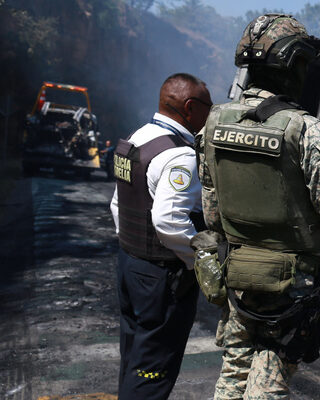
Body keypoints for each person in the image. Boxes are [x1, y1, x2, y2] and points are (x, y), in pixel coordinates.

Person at [197, 13, 320, 399]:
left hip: (238, 272)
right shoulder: (304, 128)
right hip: (290, 282)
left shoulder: (214, 122)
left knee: (234, 370)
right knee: (271, 374)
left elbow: (211, 213)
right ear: (292, 65)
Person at [109, 73, 212, 399]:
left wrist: (133, 247)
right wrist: (200, 260)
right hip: (162, 277)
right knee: (152, 371)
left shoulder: (137, 138)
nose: (211, 114)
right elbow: (169, 221)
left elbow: (118, 203)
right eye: (208, 107)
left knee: (134, 358)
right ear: (190, 107)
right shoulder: (180, 155)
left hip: (130, 264)